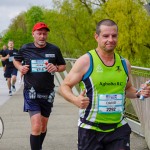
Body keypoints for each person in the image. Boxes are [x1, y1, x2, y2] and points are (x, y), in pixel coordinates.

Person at [59, 19, 150, 150]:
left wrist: (138, 93)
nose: (110, 39)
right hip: (91, 129)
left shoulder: (125, 63)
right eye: (106, 36)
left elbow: (127, 89)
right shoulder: (86, 61)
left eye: (114, 35)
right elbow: (64, 86)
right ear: (96, 37)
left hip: (118, 128)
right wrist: (75, 100)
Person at [13, 22, 66, 150]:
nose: (42, 36)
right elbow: (16, 60)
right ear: (33, 34)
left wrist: (56, 67)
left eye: (44, 34)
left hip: (48, 93)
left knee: (43, 126)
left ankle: (38, 146)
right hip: (31, 92)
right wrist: (20, 67)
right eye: (39, 33)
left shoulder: (54, 49)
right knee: (36, 125)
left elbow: (63, 65)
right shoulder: (25, 48)